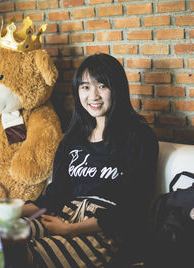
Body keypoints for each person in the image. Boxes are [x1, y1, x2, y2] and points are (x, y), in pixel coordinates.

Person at [21, 53, 159, 267]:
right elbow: (56, 196)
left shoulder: (139, 137)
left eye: (102, 86)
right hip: (60, 217)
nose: (93, 95)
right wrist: (14, 210)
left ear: (118, 89)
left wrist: (70, 230)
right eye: (85, 87)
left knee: (21, 256)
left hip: (105, 232)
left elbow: (133, 207)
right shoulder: (72, 140)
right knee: (1, 234)